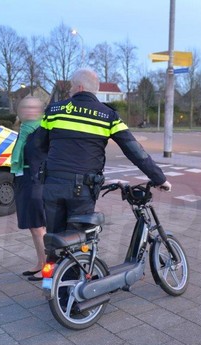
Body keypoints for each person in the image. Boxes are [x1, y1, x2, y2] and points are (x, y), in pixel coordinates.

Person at [40, 68, 171, 234]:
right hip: (82, 189)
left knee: (54, 238)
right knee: (78, 239)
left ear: (79, 88)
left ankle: (53, 259)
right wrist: (159, 178)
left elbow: (38, 146)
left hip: (52, 184)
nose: (70, 91)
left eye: (72, 87)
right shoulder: (107, 115)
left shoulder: (53, 111)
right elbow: (134, 150)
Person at [11, 96, 47, 281]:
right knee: (34, 227)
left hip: (35, 182)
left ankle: (49, 266)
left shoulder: (41, 129)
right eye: (24, 107)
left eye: (32, 108)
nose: (27, 111)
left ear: (40, 111)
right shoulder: (25, 129)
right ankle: (41, 263)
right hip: (24, 179)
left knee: (39, 226)